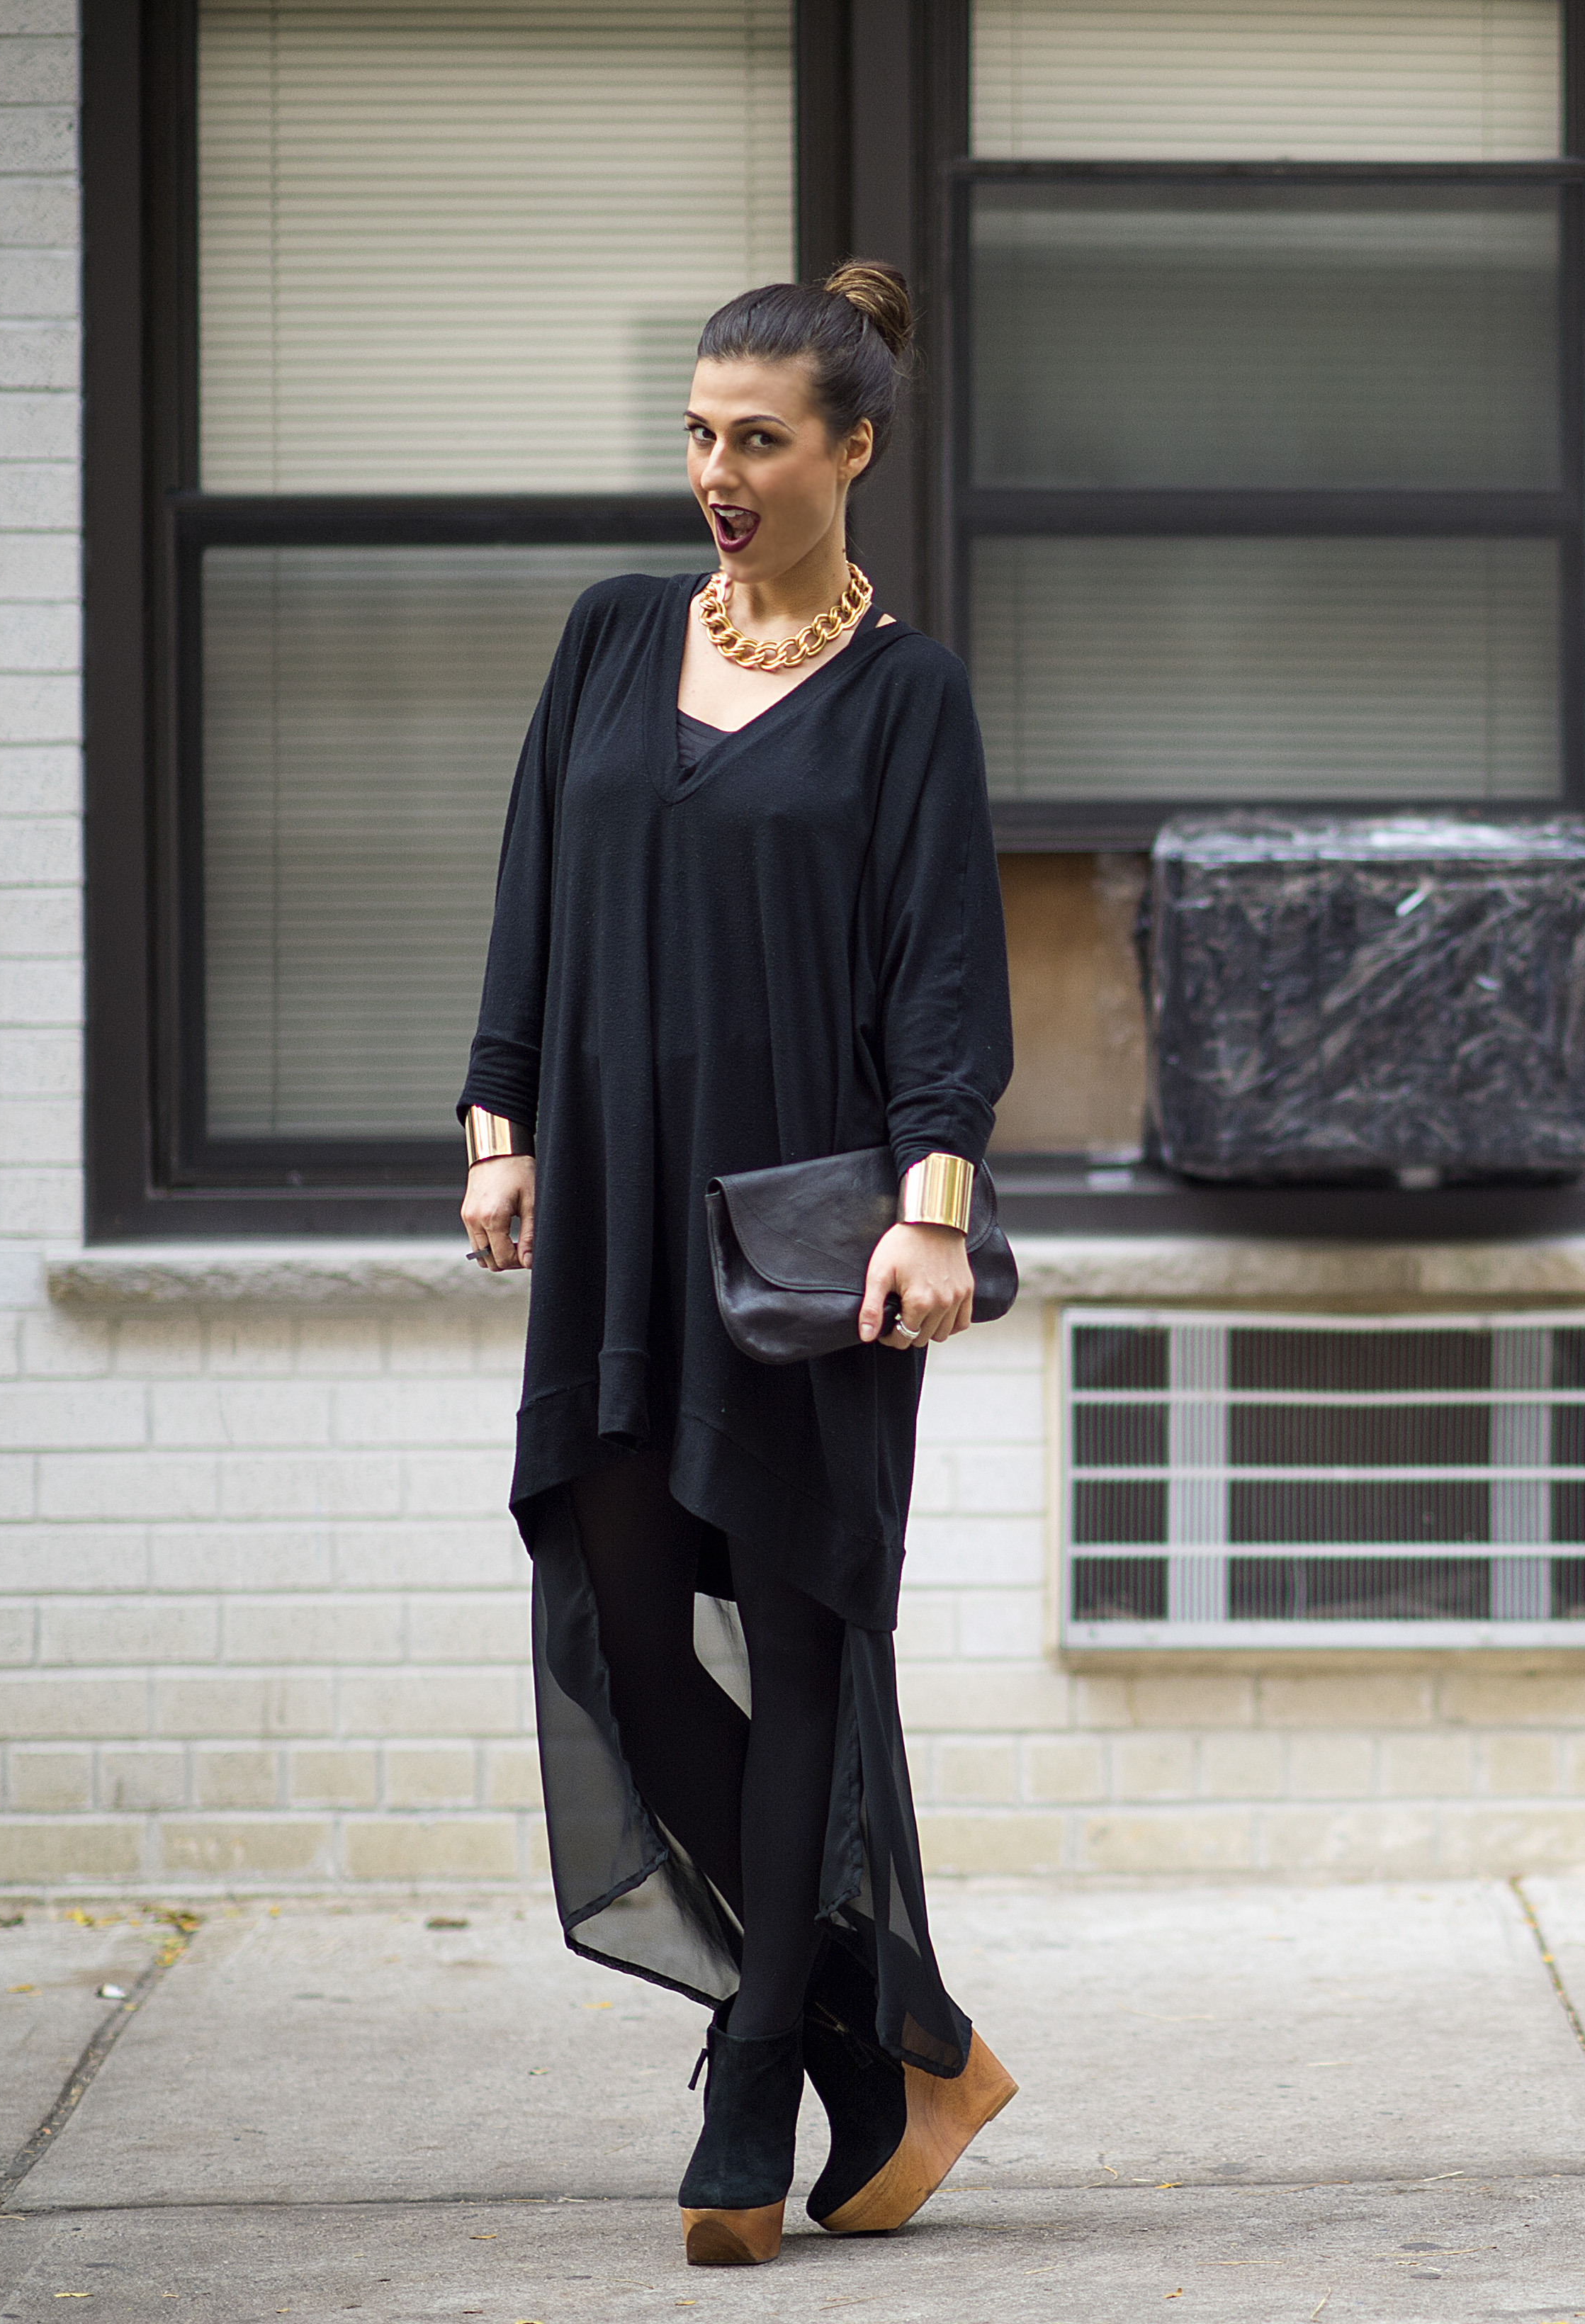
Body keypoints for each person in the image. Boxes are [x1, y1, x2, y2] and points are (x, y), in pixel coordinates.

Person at [455, 259, 1017, 2268]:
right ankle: (905, 2031)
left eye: (756, 440)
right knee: (623, 1618)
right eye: (696, 435)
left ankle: (763, 2072)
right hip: (613, 1208)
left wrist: (932, 1222)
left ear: (851, 451)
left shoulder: (906, 694)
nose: (716, 471)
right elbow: (533, 882)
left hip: (809, 1249)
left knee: (796, 1655)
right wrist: (500, 1122)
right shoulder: (613, 640)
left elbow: (947, 985)